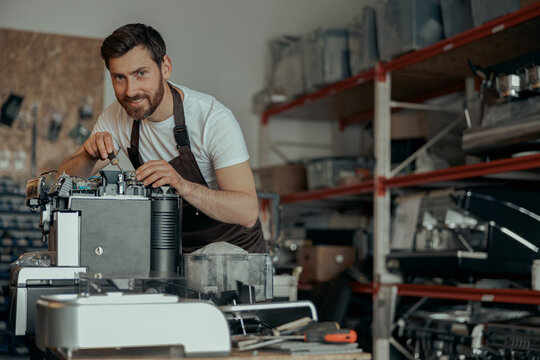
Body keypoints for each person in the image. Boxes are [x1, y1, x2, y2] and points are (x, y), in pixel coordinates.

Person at [58, 23, 266, 253]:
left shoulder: (212, 119)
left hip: (234, 257)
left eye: (140, 74)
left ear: (165, 67)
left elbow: (247, 212)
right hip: (175, 253)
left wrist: (183, 186)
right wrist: (88, 155)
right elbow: (64, 180)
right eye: (119, 78)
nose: (130, 91)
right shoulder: (115, 117)